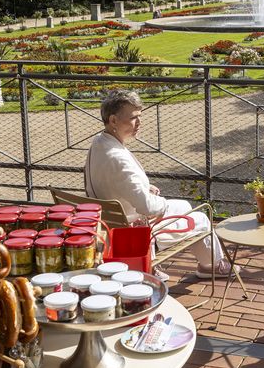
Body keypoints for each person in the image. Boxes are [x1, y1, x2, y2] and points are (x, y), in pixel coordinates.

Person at [84, 90, 235, 281]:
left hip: (110, 223)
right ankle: (211, 265)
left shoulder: (99, 143)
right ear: (113, 121)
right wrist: (161, 202)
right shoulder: (117, 158)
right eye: (133, 118)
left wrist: (145, 187)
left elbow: (116, 181)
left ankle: (169, 264)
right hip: (133, 230)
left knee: (186, 207)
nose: (139, 123)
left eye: (139, 116)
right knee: (201, 218)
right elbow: (147, 207)